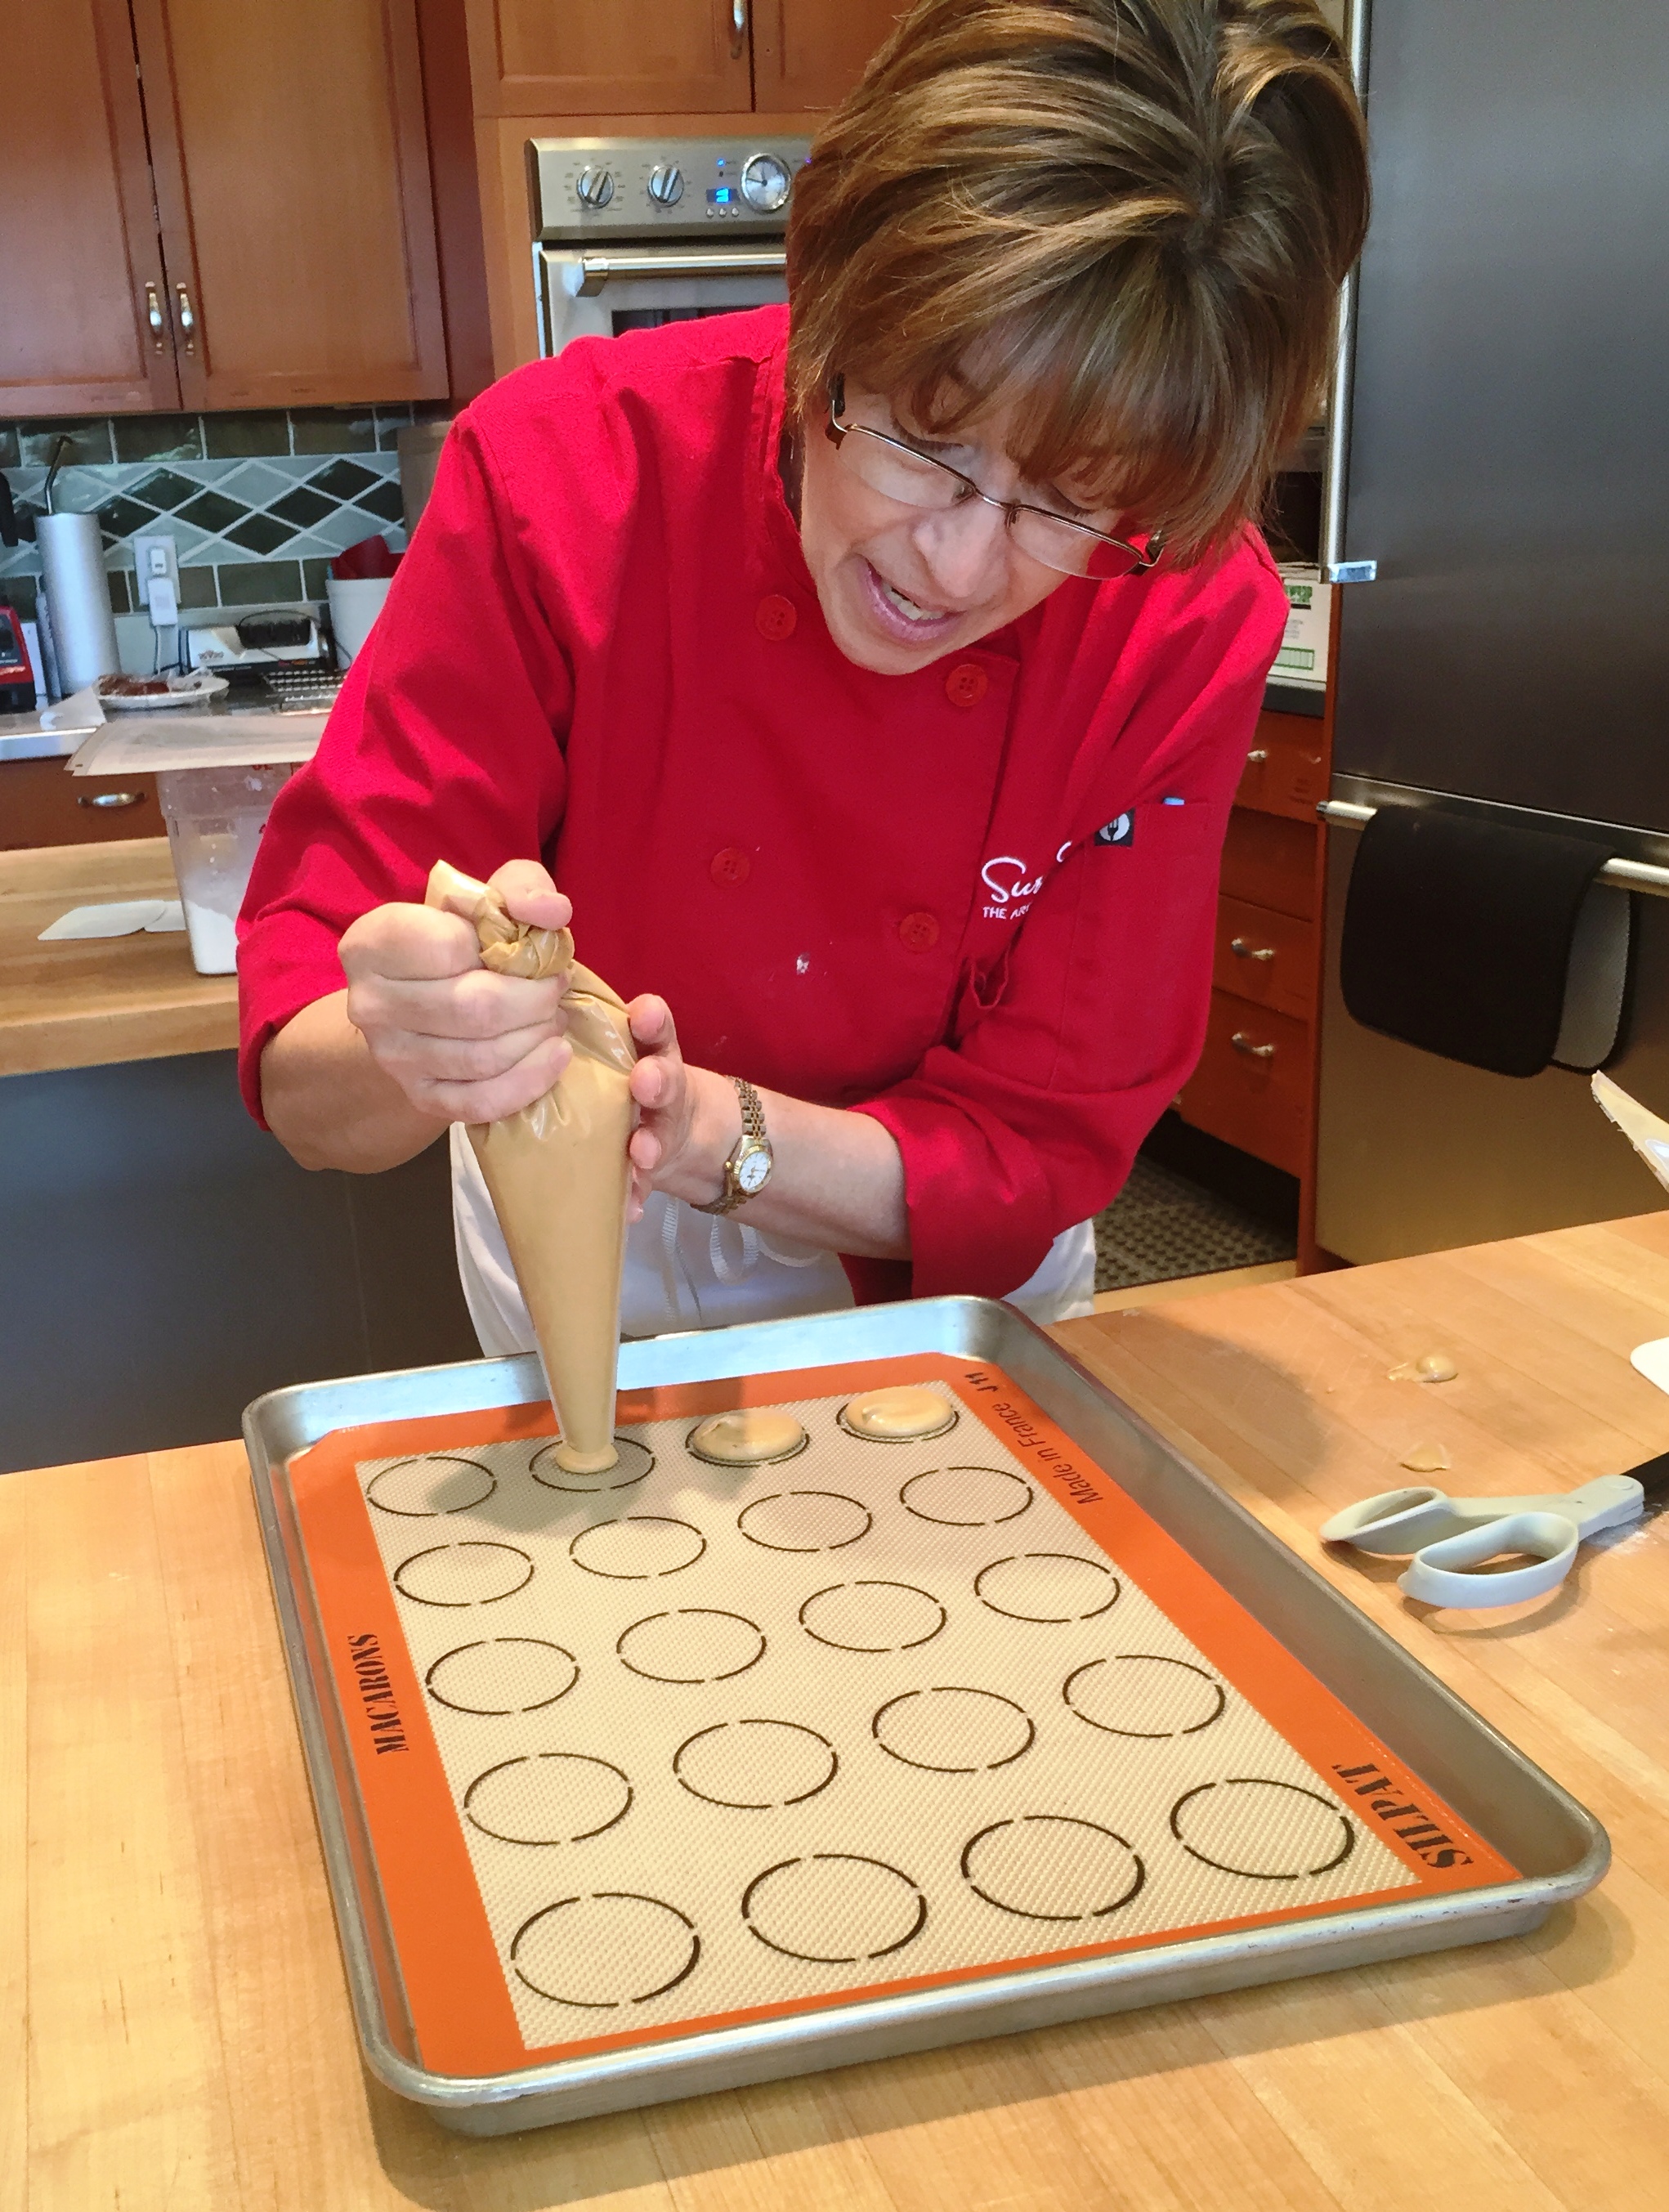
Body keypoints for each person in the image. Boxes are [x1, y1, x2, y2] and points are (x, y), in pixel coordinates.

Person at [239, 0, 1368, 1352]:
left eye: (1072, 504)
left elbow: (1050, 1134)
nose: (954, 567)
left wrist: (729, 1133)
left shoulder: (1179, 605)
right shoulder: (565, 477)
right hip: (596, 1232)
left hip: (956, 1284)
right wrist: (414, 1042)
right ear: (817, 263)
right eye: (920, 439)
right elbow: (312, 1092)